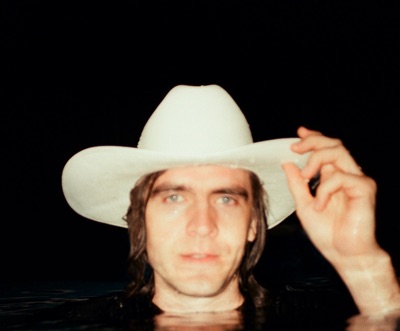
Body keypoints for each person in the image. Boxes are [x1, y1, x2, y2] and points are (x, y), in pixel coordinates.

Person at [62, 84, 400, 317]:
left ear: (254, 222)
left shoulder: (323, 322)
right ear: (140, 220)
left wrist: (362, 264)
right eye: (174, 197)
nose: (202, 226)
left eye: (225, 199)